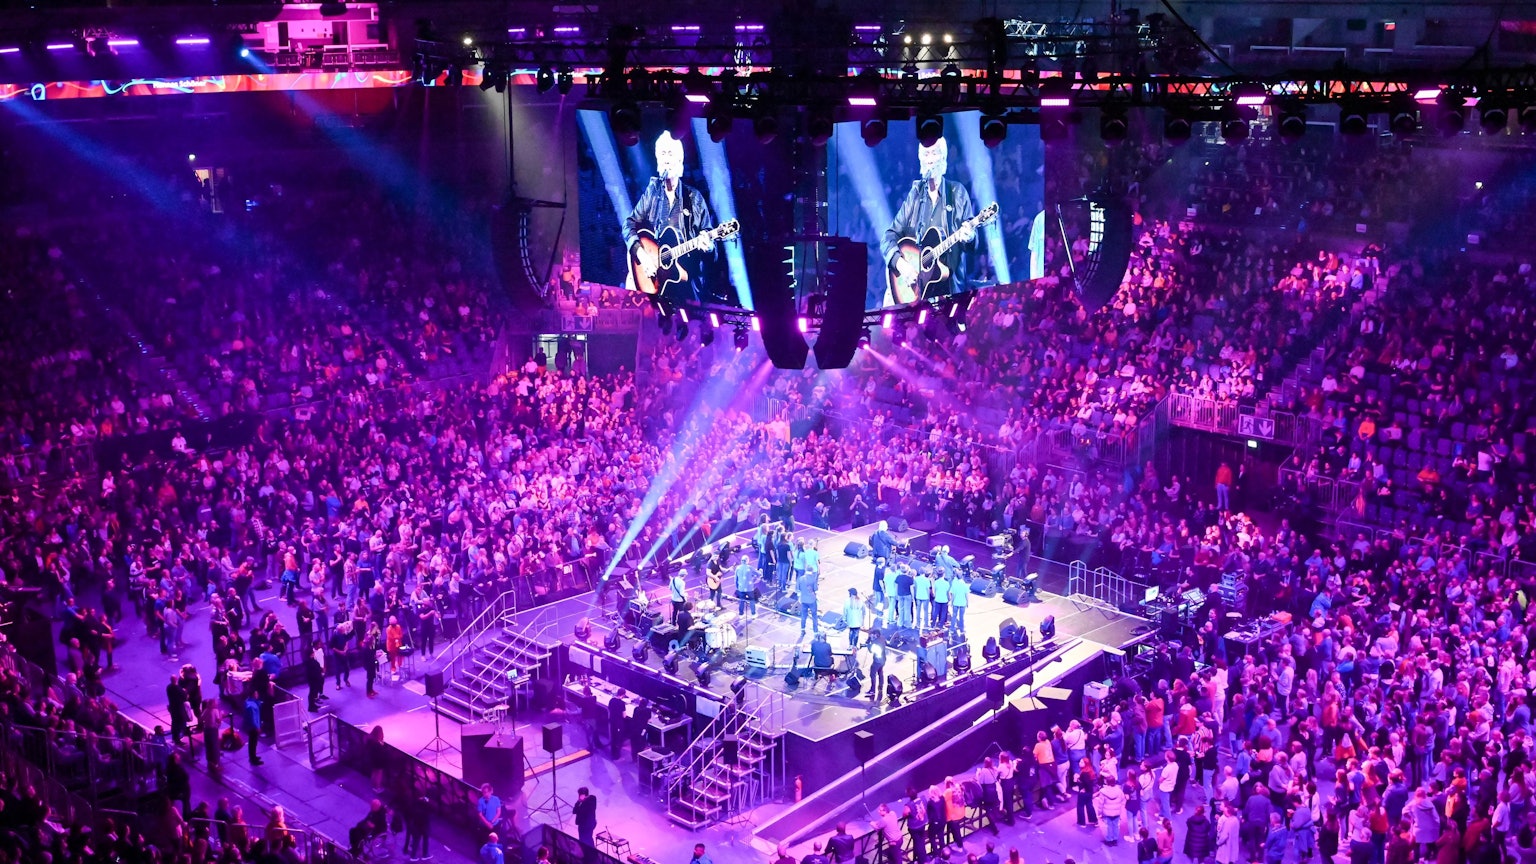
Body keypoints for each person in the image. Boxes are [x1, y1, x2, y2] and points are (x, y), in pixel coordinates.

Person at [881, 136, 978, 305]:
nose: (930, 160)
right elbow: (888, 237)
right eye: (925, 155)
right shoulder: (915, 196)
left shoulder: (957, 193)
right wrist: (901, 264)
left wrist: (969, 236)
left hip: (948, 291)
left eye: (934, 154)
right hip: (917, 294)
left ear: (943, 158)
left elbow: (973, 244)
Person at [622, 131, 717, 304]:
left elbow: (712, 249)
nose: (666, 159)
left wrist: (708, 245)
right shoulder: (653, 192)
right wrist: (641, 255)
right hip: (657, 282)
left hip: (686, 285)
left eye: (670, 154)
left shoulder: (694, 199)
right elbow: (628, 225)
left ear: (680, 160)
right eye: (662, 154)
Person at [403, 789, 432, 862]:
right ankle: (425, 854)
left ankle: (413, 856)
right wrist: (427, 801)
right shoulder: (424, 804)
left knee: (416, 840)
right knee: (425, 839)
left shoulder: (413, 803)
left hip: (415, 825)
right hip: (424, 825)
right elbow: (430, 810)